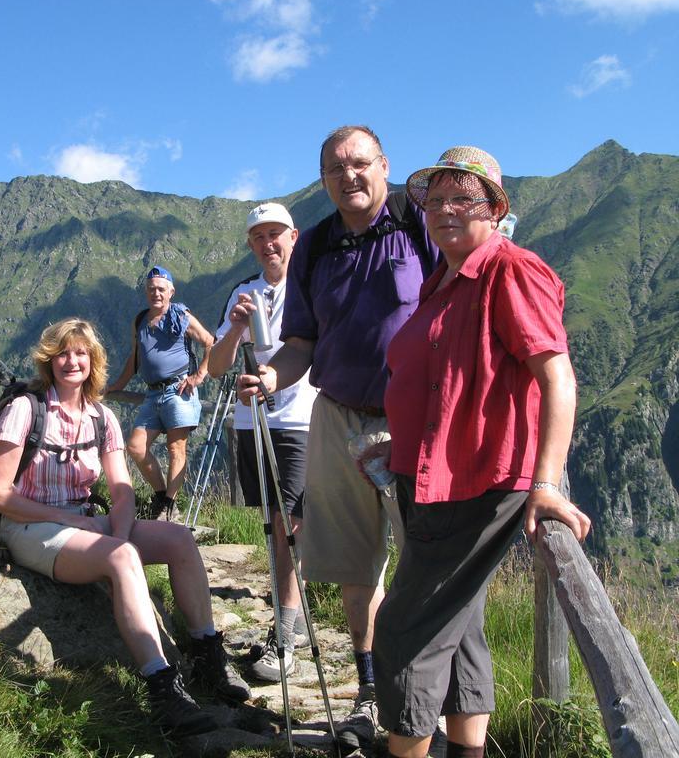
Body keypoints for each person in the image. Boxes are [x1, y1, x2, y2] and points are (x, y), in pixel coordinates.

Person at [372, 146, 592, 758]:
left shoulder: (509, 270)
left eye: (463, 199)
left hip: (474, 481)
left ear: (494, 209)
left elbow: (557, 377)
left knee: (403, 631)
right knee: (458, 625)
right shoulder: (446, 278)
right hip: (431, 475)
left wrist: (545, 486)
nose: (445, 210)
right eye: (435, 199)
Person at [237, 125, 440, 753]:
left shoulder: (419, 225)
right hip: (336, 418)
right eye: (334, 169)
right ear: (323, 180)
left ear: (383, 165)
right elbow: (301, 343)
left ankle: (424, 702)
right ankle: (372, 691)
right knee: (357, 569)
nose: (348, 176)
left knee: (423, 565)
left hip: (415, 422)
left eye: (359, 164)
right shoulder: (317, 248)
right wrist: (271, 375)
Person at [0, 319, 250, 736]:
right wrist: (77, 525)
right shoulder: (26, 410)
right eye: (64, 353)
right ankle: (163, 689)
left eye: (81, 353)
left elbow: (122, 491)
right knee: (123, 555)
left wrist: (119, 539)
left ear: (93, 362)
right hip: (28, 528)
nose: (72, 361)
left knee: (178, 538)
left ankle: (206, 654)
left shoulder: (101, 418)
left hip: (86, 524)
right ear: (49, 360)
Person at [207, 202, 318, 682]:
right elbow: (214, 366)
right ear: (251, 245)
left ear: (294, 236)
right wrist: (234, 327)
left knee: (288, 523)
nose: (268, 244)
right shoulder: (243, 291)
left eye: (276, 234)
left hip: (301, 419)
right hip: (252, 423)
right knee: (274, 523)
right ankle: (290, 620)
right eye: (259, 237)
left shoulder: (312, 286)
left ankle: (285, 639)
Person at [107, 266, 216, 521]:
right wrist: (117, 386)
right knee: (135, 446)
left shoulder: (181, 315)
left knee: (176, 448)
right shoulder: (141, 320)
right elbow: (135, 358)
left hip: (179, 390)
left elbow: (210, 342)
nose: (156, 293)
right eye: (152, 289)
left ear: (171, 292)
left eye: (161, 289)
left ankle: (168, 505)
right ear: (146, 292)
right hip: (153, 394)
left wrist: (199, 375)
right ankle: (161, 497)